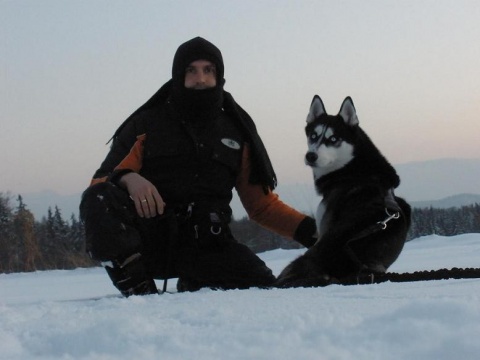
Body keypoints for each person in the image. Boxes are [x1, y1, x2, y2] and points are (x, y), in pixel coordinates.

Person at [80, 37, 316, 296]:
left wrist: (315, 233)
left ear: (219, 75)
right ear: (178, 74)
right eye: (191, 70)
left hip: (209, 244)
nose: (200, 78)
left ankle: (197, 280)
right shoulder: (145, 123)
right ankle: (140, 293)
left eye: (208, 70)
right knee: (100, 197)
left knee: (268, 293)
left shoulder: (237, 130)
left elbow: (262, 206)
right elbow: (98, 187)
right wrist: (127, 178)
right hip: (151, 242)